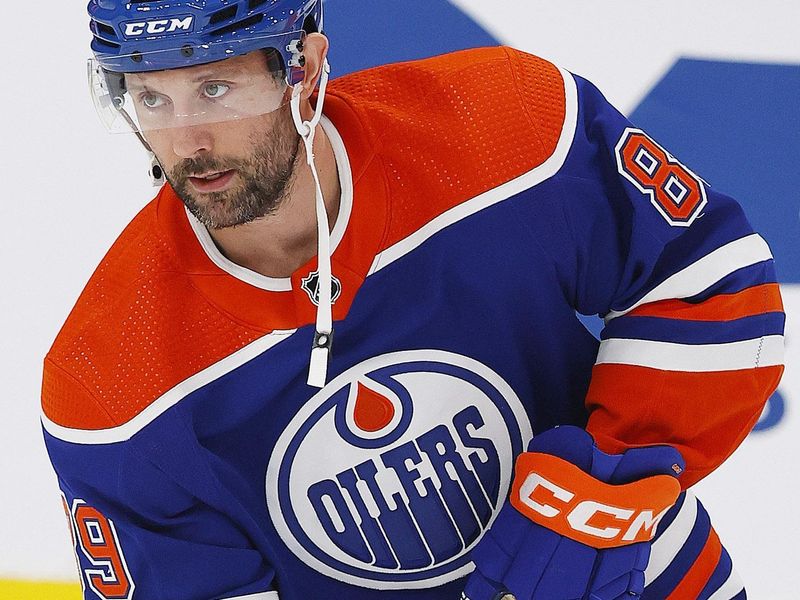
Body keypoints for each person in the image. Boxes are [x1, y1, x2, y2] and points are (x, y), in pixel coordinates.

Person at [42, 1, 785, 599]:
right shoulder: (107, 387)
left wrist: (591, 507)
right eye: (150, 96)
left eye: (215, 87)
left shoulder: (505, 127)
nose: (188, 141)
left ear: (304, 68)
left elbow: (706, 277)